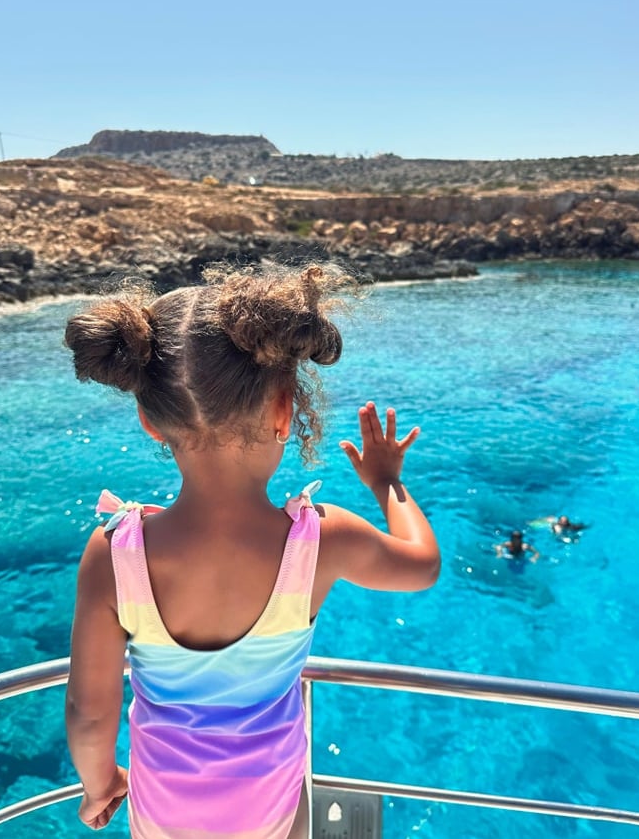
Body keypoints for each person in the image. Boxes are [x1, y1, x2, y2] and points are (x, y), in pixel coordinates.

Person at [63, 265, 440, 839]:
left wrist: (100, 786)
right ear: (284, 411)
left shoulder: (115, 552)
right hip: (270, 804)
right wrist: (387, 483)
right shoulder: (320, 538)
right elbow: (422, 566)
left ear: (150, 422)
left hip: (163, 809)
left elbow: (90, 718)